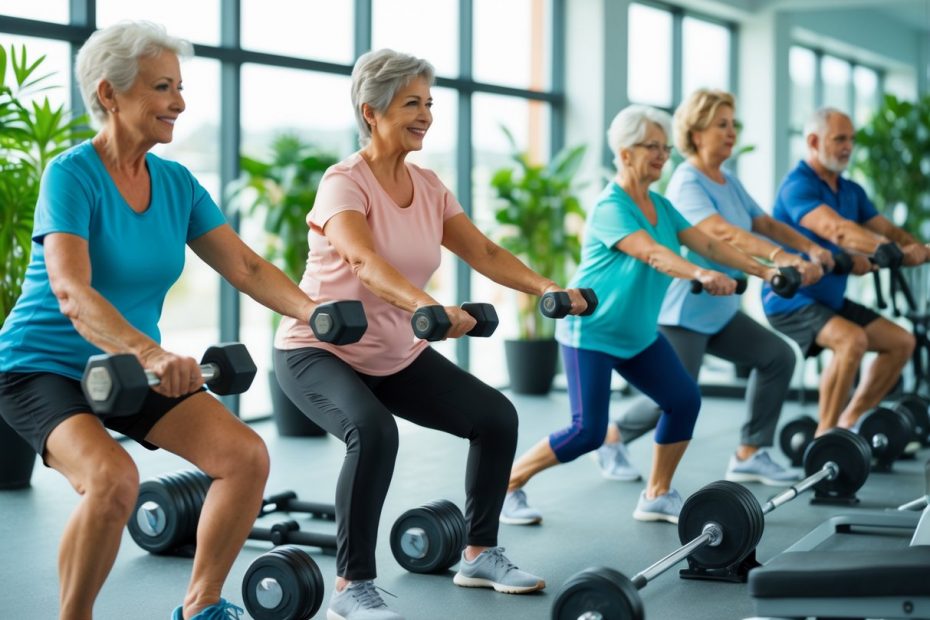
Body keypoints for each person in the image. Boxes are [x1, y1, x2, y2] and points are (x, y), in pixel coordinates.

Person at [0, 21, 332, 620]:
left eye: (179, 87)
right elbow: (71, 292)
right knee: (112, 480)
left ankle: (200, 606)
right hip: (39, 367)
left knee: (244, 456)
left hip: (127, 366)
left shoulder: (176, 183)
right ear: (109, 94)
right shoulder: (71, 175)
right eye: (162, 88)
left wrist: (314, 311)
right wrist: (150, 356)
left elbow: (248, 268)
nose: (179, 102)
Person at [273, 48, 588, 620]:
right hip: (317, 351)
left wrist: (545, 287)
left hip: (393, 352)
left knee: (495, 417)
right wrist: (429, 306)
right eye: (411, 103)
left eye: (429, 103)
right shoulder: (343, 182)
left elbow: (484, 251)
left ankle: (479, 552)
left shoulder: (429, 184)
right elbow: (365, 263)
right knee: (372, 431)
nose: (425, 114)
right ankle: (352, 587)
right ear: (371, 111)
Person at [503, 104, 784, 527]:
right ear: (624, 151)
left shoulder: (660, 205)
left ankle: (657, 494)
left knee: (683, 399)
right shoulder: (609, 206)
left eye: (665, 148)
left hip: (638, 335)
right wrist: (700, 275)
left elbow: (706, 244)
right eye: (651, 146)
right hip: (592, 333)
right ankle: (507, 485)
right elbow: (653, 254)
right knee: (588, 432)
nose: (661, 155)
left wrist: (764, 270)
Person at [595, 89, 831, 487]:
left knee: (776, 357)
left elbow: (764, 223)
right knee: (674, 395)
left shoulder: (727, 181)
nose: (730, 132)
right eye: (721, 124)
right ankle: (612, 435)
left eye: (732, 124)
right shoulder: (687, 181)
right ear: (696, 132)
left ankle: (750, 452)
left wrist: (808, 247)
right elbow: (722, 235)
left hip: (719, 312)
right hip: (684, 312)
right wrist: (778, 259)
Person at [762, 107, 929, 435]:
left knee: (902, 342)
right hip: (791, 299)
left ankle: (849, 422)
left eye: (850, 139)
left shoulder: (850, 190)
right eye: (839, 138)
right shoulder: (797, 186)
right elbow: (836, 230)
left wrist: (918, 250)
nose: (848, 146)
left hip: (831, 302)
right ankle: (824, 438)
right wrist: (883, 249)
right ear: (813, 141)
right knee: (851, 340)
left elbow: (888, 231)